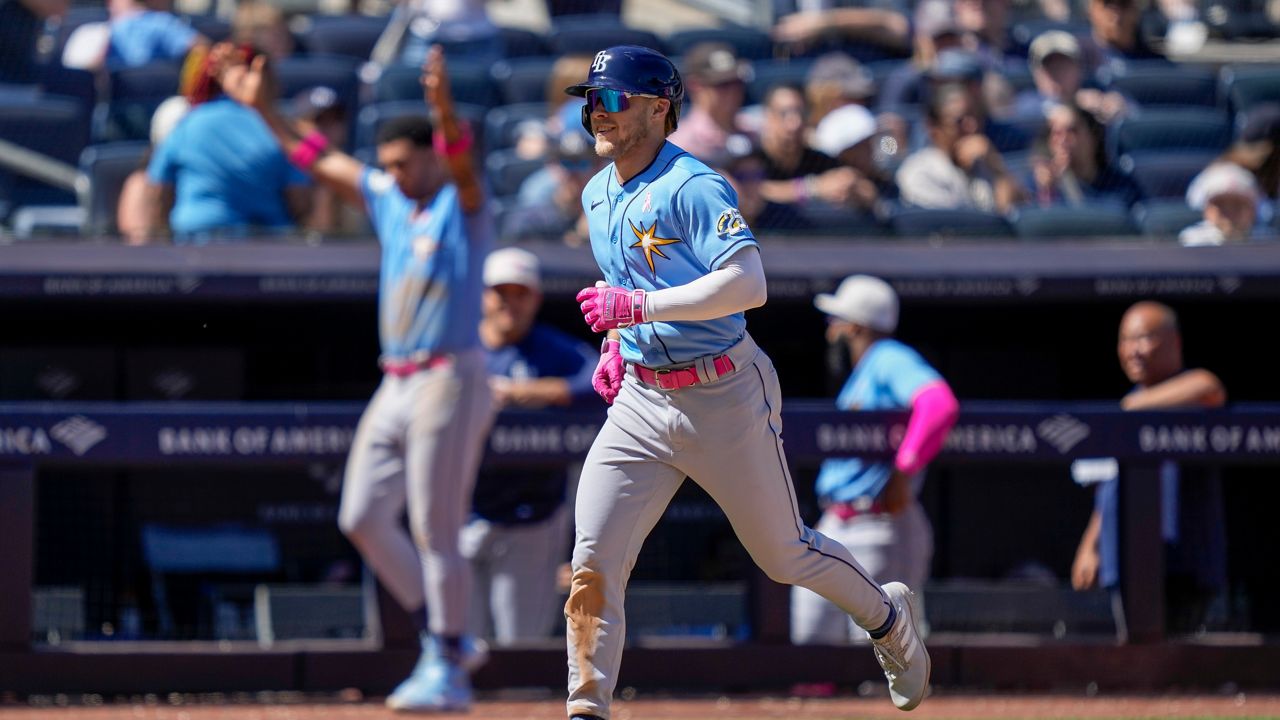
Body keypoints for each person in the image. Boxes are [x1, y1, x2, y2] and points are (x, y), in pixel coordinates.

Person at [561, 45, 930, 720]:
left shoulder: (693, 184)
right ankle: (587, 707)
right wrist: (618, 342)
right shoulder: (595, 191)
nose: (596, 113)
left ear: (657, 108)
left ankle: (887, 618)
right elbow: (625, 288)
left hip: (722, 391)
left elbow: (748, 283)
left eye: (611, 100)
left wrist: (636, 312)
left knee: (784, 555)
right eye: (590, 101)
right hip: (642, 398)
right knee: (593, 558)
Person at [220, 43, 493, 710]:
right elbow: (314, 158)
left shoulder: (464, 208)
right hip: (396, 378)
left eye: (406, 163)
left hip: (449, 373)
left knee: (436, 526)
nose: (395, 175)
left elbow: (463, 167)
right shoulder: (389, 200)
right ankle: (450, 634)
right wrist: (263, 108)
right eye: (391, 165)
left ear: (429, 154)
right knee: (363, 516)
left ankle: (449, 661)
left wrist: (445, 113)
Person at [793, 275, 959, 646]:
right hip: (837, 522)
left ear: (854, 325)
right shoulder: (864, 373)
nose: (830, 331)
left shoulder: (888, 357)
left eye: (835, 321)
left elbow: (939, 404)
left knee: (877, 655)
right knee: (808, 642)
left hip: (880, 523)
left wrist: (905, 469)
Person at [464, 247, 598, 644]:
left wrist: (522, 393)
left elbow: (599, 381)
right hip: (461, 514)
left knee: (519, 651)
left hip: (532, 516)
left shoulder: (551, 348)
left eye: (520, 293)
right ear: (483, 295)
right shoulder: (463, 346)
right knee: (458, 653)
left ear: (535, 298)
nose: (510, 302)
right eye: (500, 292)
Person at [1071, 301, 1228, 635]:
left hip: (1182, 563)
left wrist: (1131, 407)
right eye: (1125, 340)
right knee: (1133, 660)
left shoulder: (1184, 391)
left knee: (1182, 669)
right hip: (1125, 559)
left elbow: (1209, 386)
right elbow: (1108, 485)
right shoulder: (1127, 405)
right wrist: (1091, 545)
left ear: (1175, 342)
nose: (1133, 350)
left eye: (1143, 338)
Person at [142, 43, 311, 243]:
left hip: (195, 244)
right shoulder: (284, 130)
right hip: (266, 248)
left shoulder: (188, 123)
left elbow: (158, 191)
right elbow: (299, 200)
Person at [895, 82, 1025, 213]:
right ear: (933, 128)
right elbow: (956, 227)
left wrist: (997, 168)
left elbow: (1018, 213)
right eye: (959, 121)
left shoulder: (984, 162)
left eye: (975, 117)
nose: (972, 126)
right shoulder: (918, 173)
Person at [1027, 102, 1141, 208]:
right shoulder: (1037, 186)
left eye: (1072, 131)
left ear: (1093, 136)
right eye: (1056, 133)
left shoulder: (1122, 187)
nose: (1063, 140)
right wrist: (1048, 191)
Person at [666, 41, 752, 162]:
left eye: (737, 82)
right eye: (722, 85)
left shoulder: (755, 130)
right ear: (695, 85)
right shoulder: (682, 145)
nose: (733, 91)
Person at [1178, 162, 1263, 246]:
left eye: (1237, 204)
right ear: (1206, 209)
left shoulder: (1267, 242)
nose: (1230, 212)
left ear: (1253, 209)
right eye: (1220, 204)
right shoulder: (1192, 243)